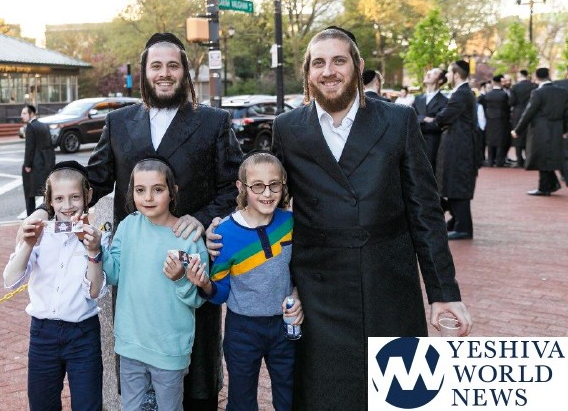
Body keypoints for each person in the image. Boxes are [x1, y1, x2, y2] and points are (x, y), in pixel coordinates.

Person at [208, 26, 471, 411]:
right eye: (318, 63)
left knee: (402, 394)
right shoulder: (288, 128)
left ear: (358, 66)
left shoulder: (398, 121)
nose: (328, 71)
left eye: (338, 61)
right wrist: (226, 226)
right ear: (307, 73)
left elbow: (425, 211)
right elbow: (270, 200)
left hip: (388, 283)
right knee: (326, 396)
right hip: (319, 292)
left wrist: (444, 292)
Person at [21, 32, 242, 410]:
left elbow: (232, 186)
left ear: (185, 72)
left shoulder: (213, 122)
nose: (164, 73)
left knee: (196, 377)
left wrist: (203, 218)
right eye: (156, 66)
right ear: (144, 73)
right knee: (137, 380)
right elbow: (92, 180)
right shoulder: (119, 122)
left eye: (173, 65)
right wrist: (46, 207)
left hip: (188, 260)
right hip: (135, 267)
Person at [185, 152, 301, 411]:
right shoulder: (224, 233)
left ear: (283, 184)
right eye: (257, 185)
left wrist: (297, 295)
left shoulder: (290, 223)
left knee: (289, 397)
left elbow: (299, 271)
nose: (267, 193)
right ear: (241, 187)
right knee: (241, 401)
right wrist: (204, 284)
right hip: (242, 330)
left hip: (284, 327)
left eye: (274, 185)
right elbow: (221, 292)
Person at [94, 157, 208, 411]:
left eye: (157, 189)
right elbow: (114, 274)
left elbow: (198, 298)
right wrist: (97, 250)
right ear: (131, 192)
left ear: (172, 191)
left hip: (170, 348)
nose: (148, 197)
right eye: (140, 190)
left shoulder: (189, 237)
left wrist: (180, 278)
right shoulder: (127, 227)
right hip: (131, 343)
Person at [3, 161, 109, 411]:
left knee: (88, 405)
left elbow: (95, 291)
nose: (67, 205)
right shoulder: (41, 234)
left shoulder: (98, 237)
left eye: (75, 197)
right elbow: (10, 280)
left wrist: (93, 251)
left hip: (83, 334)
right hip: (43, 333)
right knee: (42, 405)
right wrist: (28, 244)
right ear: (49, 201)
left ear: (88, 196)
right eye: (59, 198)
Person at [436, 60, 481, 240]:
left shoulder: (461, 94)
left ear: (456, 74)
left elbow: (444, 117)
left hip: (460, 147)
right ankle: (457, 222)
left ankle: (463, 227)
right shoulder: (463, 92)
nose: (446, 75)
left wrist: (437, 119)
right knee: (453, 183)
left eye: (449, 72)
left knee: (458, 185)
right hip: (459, 144)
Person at [511, 68, 568, 196]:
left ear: (536, 77)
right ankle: (550, 185)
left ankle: (544, 187)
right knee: (550, 157)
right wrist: (564, 129)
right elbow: (566, 113)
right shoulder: (562, 92)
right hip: (557, 127)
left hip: (540, 129)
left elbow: (529, 112)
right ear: (549, 75)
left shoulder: (538, 92)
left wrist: (517, 130)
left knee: (541, 158)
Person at [21, 104, 56, 216]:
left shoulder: (30, 127)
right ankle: (48, 214)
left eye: (24, 113)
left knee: (29, 192)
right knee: (46, 191)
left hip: (34, 165)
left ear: (31, 114)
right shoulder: (44, 125)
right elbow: (50, 146)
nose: (22, 116)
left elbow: (29, 148)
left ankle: (31, 216)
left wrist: (27, 164)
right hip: (46, 164)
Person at [415, 67, 449, 171]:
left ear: (440, 80)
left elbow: (438, 124)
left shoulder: (445, 101)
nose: (428, 74)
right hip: (415, 140)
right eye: (429, 72)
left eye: (434, 73)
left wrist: (419, 120)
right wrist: (425, 118)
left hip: (433, 142)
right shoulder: (418, 98)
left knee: (429, 171)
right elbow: (411, 117)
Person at [478, 75, 512, 167]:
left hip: (489, 119)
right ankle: (499, 161)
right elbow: (507, 107)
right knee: (500, 141)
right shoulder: (503, 94)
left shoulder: (488, 94)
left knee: (490, 141)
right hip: (501, 119)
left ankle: (490, 161)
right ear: (500, 83)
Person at [509, 69, 537, 167]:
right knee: (528, 136)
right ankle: (528, 159)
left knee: (517, 135)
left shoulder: (515, 87)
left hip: (518, 112)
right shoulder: (534, 86)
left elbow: (511, 102)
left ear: (520, 76)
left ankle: (519, 160)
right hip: (531, 112)